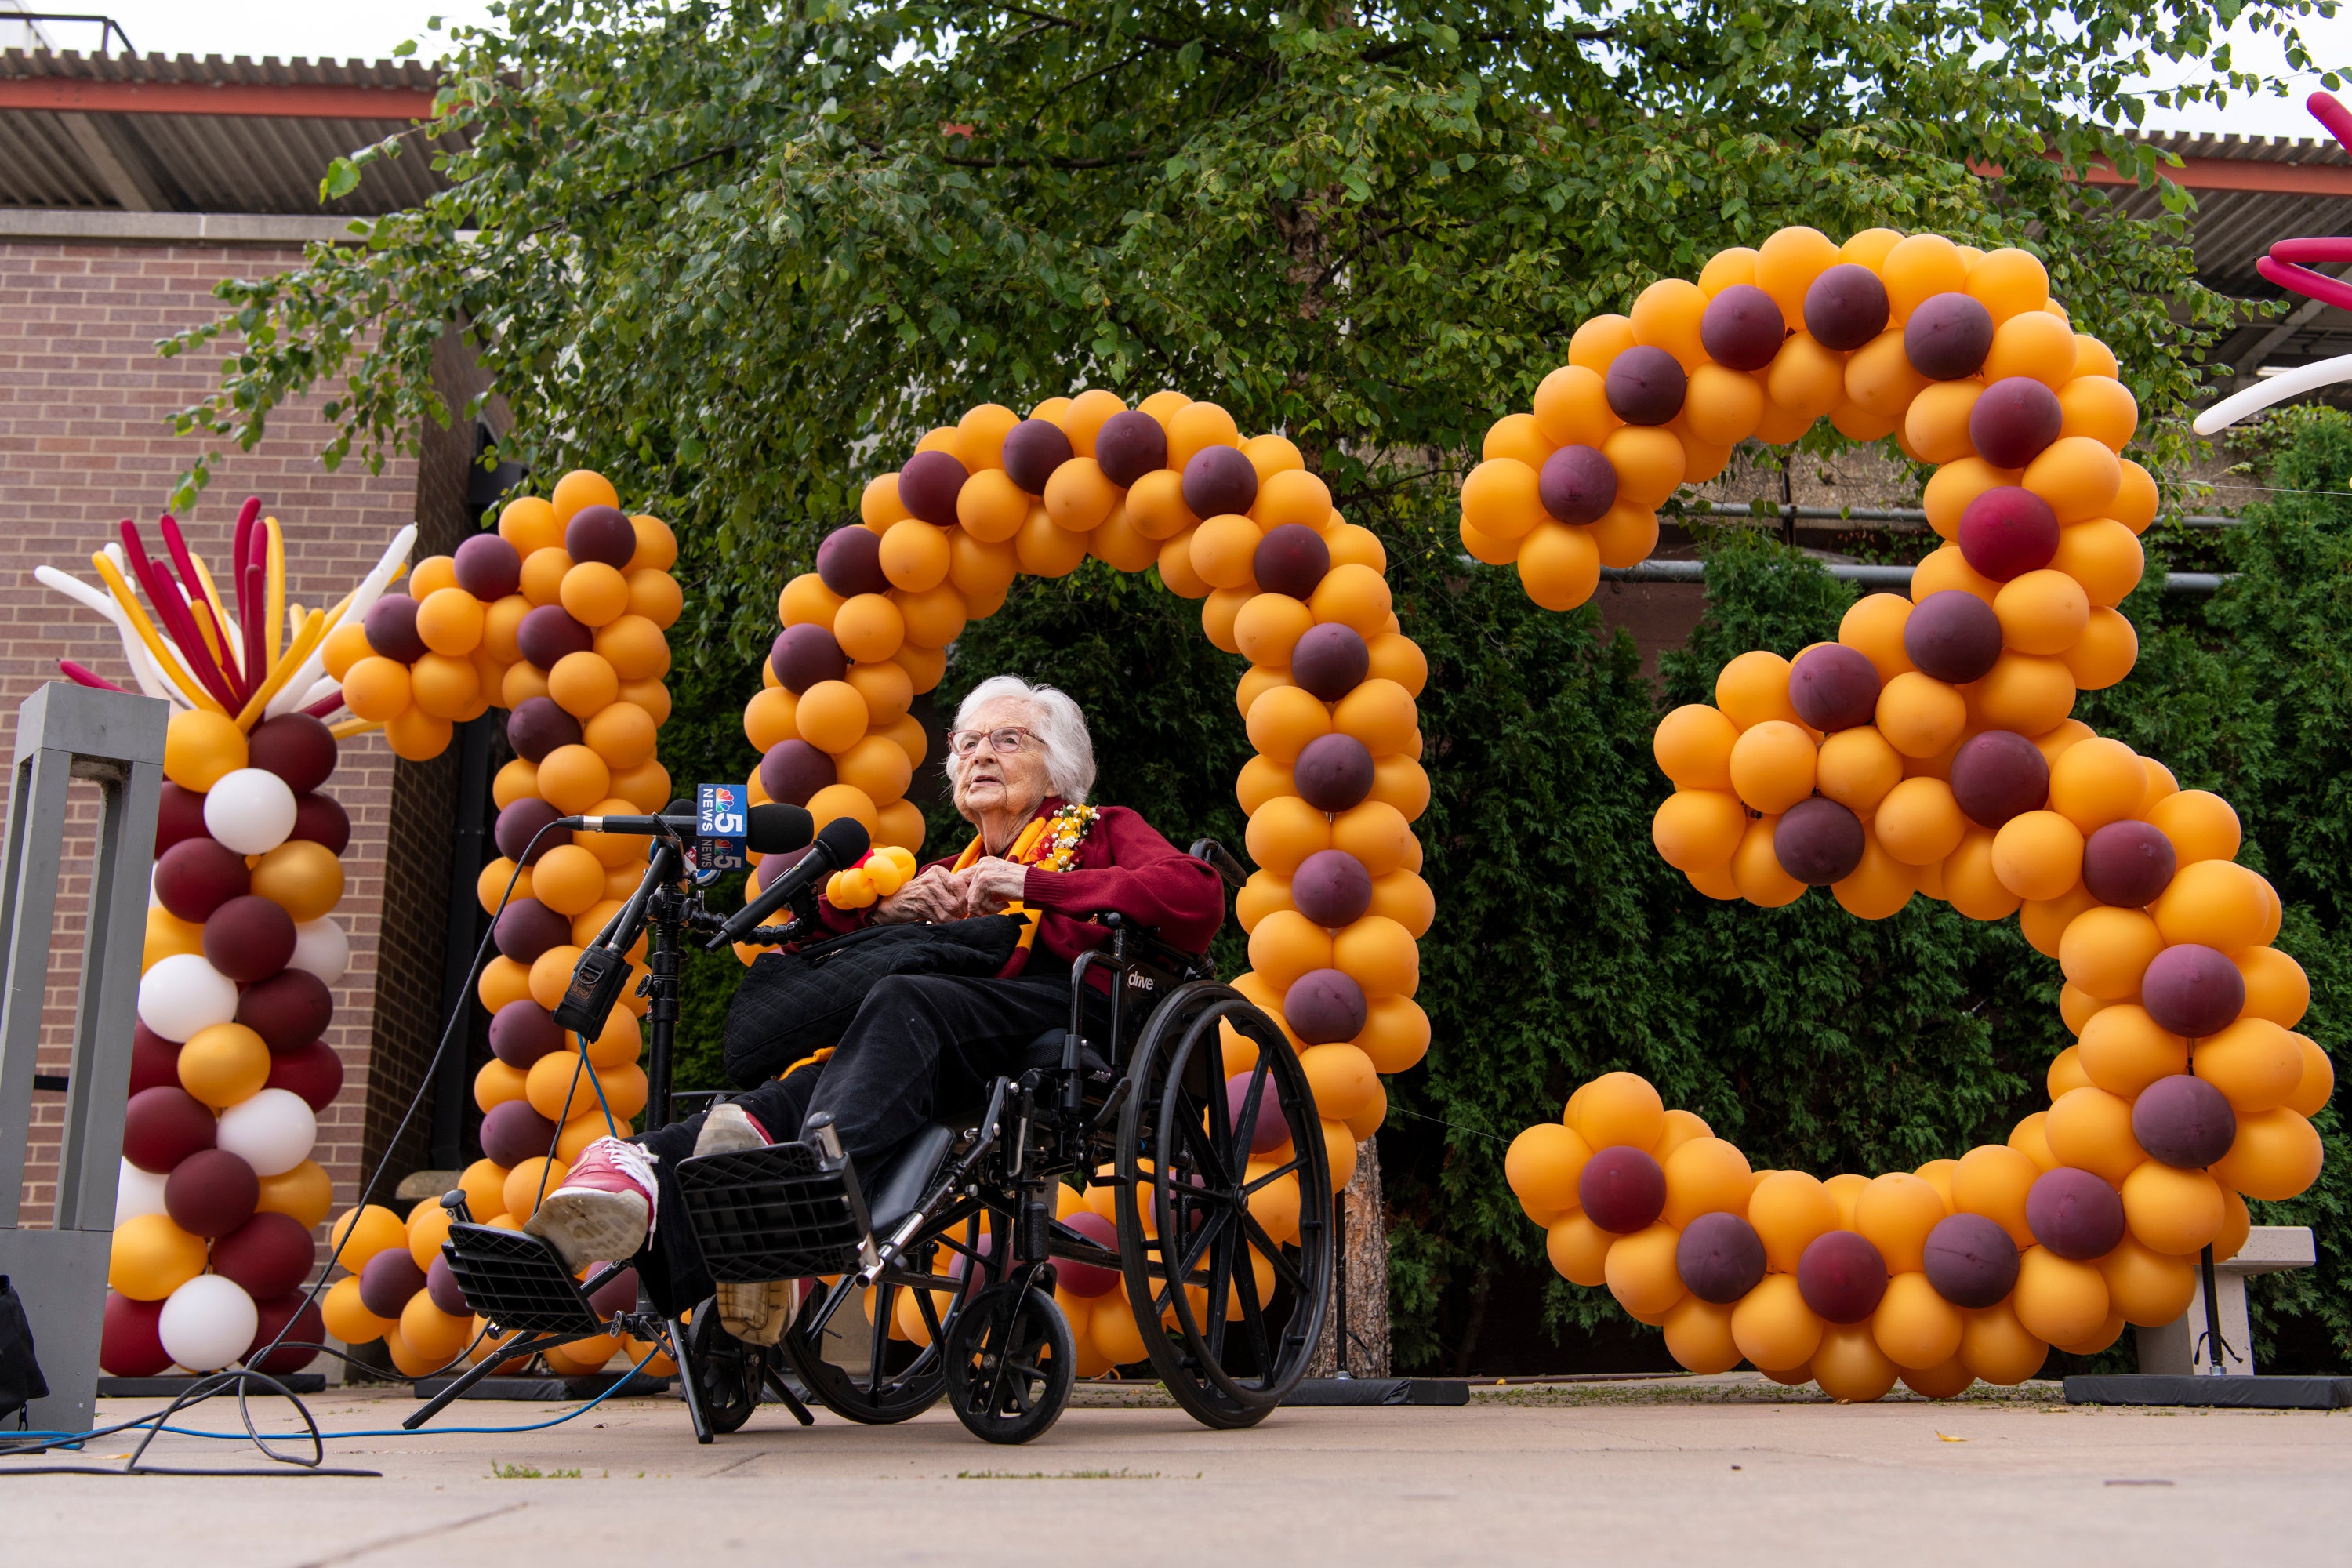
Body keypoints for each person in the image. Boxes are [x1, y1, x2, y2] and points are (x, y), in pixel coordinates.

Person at [524, 674, 1226, 1336]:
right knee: (807, 1083)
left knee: (903, 1001)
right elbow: (814, 934)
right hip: (946, 1035)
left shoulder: (1100, 829)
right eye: (967, 743)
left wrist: (1034, 886)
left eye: (1008, 740)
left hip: (1069, 1011)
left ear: (1059, 771)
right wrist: (886, 909)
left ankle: (794, 1212)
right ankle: (633, 1177)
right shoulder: (952, 872)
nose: (980, 754)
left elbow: (1197, 894)